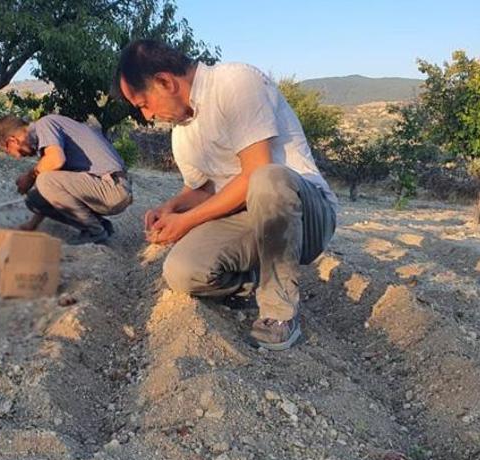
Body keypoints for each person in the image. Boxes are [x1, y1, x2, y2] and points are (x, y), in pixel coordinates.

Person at [115, 40, 338, 350]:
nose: (148, 115)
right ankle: (260, 282)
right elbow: (204, 189)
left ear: (165, 81)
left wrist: (188, 221)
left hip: (303, 213)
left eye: (143, 103)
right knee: (181, 271)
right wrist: (171, 208)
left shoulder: (235, 82)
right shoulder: (183, 133)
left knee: (267, 178)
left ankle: (279, 313)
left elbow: (255, 171)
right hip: (251, 216)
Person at [0, 114, 132, 244]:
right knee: (35, 200)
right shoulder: (50, 141)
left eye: (11, 152)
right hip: (107, 187)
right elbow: (54, 191)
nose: (17, 157)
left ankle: (94, 231)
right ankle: (101, 226)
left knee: (44, 180)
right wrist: (31, 225)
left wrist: (30, 177)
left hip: (112, 187)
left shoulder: (45, 124)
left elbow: (56, 161)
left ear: (12, 141)